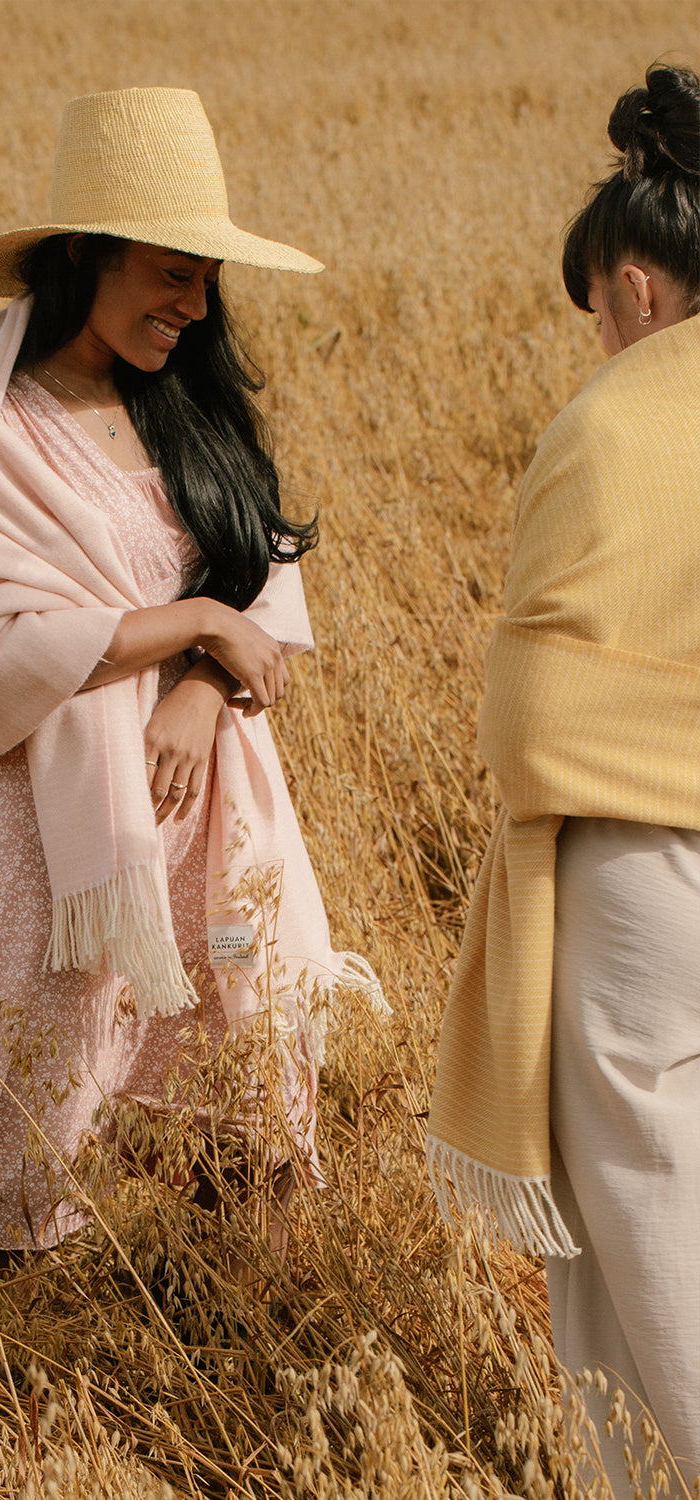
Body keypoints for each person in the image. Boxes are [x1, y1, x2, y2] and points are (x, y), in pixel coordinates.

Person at [0, 87, 380, 1310]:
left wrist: (198, 684)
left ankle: (233, 1344)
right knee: (25, 1097)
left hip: (214, 808)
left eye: (207, 282)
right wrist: (190, 624)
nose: (193, 307)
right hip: (52, 829)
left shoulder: (187, 398)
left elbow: (267, 592)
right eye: (172, 273)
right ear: (87, 255)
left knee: (245, 1071)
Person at [427, 63, 700, 1490]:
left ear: (641, 289)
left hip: (646, 870)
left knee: (642, 1224)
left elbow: (534, 714)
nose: (599, 332)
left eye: (598, 303)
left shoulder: (613, 422)